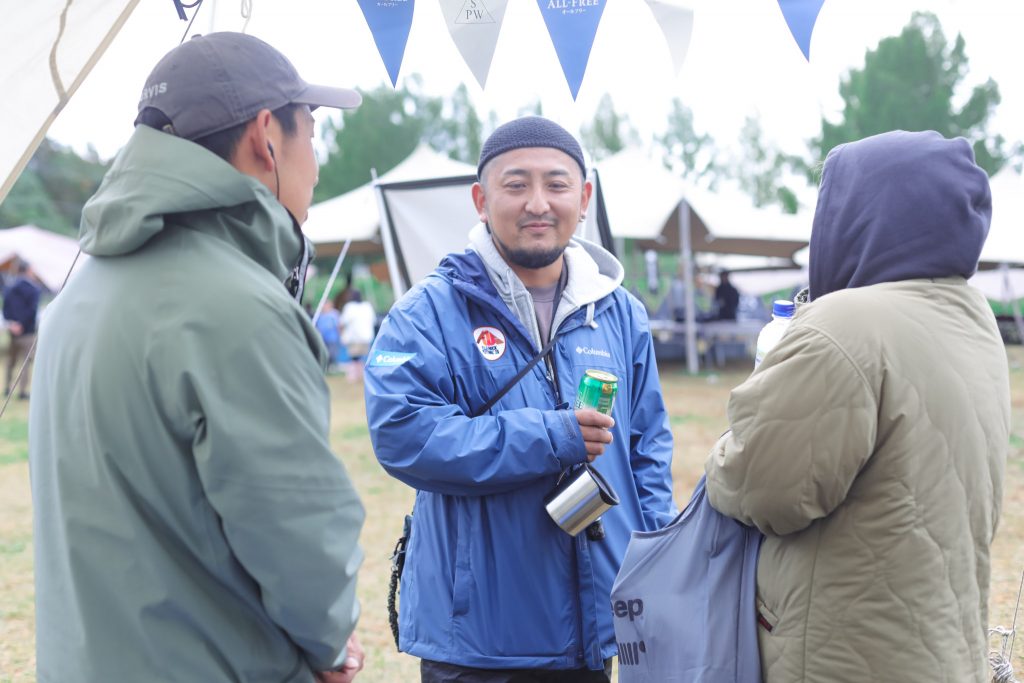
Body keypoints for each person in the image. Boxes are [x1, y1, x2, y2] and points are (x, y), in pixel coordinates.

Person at [28, 33, 367, 683]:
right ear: (267, 137)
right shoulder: (238, 308)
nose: (316, 164)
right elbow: (301, 538)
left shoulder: (76, 296)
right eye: (311, 131)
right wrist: (331, 643)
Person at [364, 116, 676, 682]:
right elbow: (403, 435)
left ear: (584, 199)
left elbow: (647, 449)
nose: (538, 203)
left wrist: (658, 559)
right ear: (481, 200)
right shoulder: (428, 312)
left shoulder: (619, 312)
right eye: (516, 185)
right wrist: (552, 436)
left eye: (556, 184)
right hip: (478, 639)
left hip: (593, 627)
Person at [704, 130, 1009, 682]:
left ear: (859, 215)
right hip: (940, 646)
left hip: (847, 653)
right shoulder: (970, 314)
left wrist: (726, 448)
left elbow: (766, 490)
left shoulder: (845, 324)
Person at [3, 258, 40, 399]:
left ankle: (7, 388)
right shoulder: (34, 289)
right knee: (26, 362)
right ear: (28, 270)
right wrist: (22, 324)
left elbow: (5, 309)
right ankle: (22, 391)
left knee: (11, 361)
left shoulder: (10, 287)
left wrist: (13, 324)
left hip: (13, 331)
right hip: (27, 331)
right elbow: (32, 311)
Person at [339, 289, 375, 382]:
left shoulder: (349, 307)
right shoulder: (367, 306)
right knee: (362, 357)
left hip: (354, 337)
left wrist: (341, 334)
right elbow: (373, 320)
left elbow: (343, 322)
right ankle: (362, 374)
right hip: (366, 336)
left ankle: (354, 375)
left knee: (354, 357)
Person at [316, 297, 344, 372]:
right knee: (325, 353)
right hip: (323, 339)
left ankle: (332, 367)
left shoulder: (334, 314)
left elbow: (339, 326)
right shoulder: (320, 314)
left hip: (332, 339)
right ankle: (326, 367)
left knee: (332, 353)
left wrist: (341, 335)